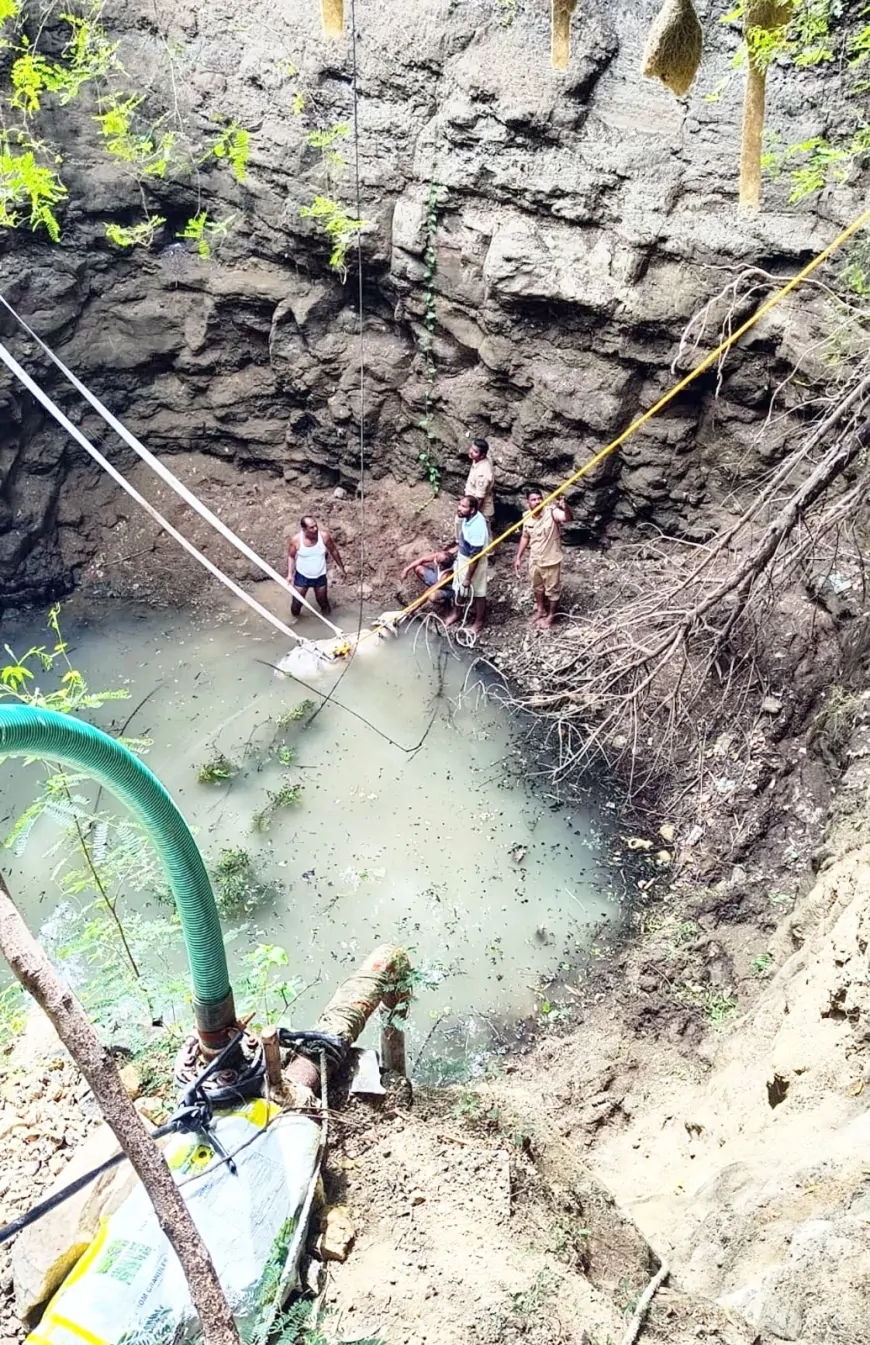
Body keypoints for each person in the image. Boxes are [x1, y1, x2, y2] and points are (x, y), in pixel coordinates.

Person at [513, 488, 572, 629]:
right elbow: (525, 536)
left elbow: (567, 518)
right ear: (528, 502)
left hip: (551, 560)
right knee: (537, 587)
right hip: (534, 559)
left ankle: (551, 616)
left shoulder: (552, 512)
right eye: (533, 500)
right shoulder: (526, 515)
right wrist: (518, 557)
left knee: (552, 591)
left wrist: (566, 507)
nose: (537, 501)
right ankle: (540, 609)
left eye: (539, 498)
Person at [286, 515, 347, 617]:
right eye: (311, 527)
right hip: (302, 576)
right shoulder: (296, 540)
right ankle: (295, 624)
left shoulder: (324, 537)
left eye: (316, 526)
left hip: (320, 576)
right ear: (304, 529)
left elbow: (333, 551)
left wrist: (341, 567)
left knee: (323, 602)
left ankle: (328, 623)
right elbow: (291, 557)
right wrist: (290, 575)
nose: (315, 529)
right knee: (296, 605)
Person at [445, 495, 489, 635]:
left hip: (474, 562)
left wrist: (468, 578)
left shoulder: (478, 527)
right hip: (463, 558)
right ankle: (457, 613)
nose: (459, 508)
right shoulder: (468, 517)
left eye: (464, 507)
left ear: (472, 510)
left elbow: (475, 557)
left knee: (478, 593)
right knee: (458, 587)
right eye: (460, 504)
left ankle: (478, 622)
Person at [464, 438, 495, 524]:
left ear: (482, 455)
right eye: (472, 448)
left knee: (483, 532)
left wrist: (473, 514)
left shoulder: (483, 474)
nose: (471, 451)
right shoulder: (478, 459)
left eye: (475, 451)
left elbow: (479, 499)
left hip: (481, 508)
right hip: (471, 500)